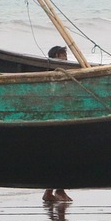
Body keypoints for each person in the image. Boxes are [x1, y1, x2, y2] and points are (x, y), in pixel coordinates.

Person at [43, 46, 73, 203]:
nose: (66, 58)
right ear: (57, 56)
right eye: (64, 55)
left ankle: (52, 191)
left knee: (59, 158)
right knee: (62, 157)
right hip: (56, 121)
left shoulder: (61, 73)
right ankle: (56, 191)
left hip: (58, 120)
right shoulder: (56, 74)